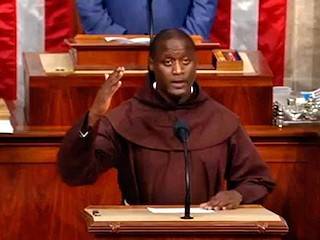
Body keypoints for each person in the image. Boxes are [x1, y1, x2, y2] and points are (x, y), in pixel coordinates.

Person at [58, 28, 275, 210]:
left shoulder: (221, 119)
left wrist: (238, 195)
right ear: (152, 65)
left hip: (206, 231)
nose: (178, 70)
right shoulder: (125, 118)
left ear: (196, 64)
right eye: (168, 62)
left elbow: (257, 179)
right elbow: (75, 173)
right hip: (140, 232)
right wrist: (93, 116)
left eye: (186, 61)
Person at [76, 0, 218, 40]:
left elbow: (204, 5)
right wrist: (115, 37)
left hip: (182, 59)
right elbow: (89, 5)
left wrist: (185, 39)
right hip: (115, 58)